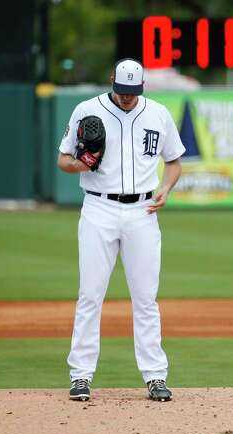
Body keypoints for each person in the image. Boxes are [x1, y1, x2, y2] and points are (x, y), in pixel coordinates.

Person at [57, 58, 185, 402]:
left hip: (143, 210)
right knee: (90, 295)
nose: (127, 97)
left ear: (141, 87)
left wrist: (166, 189)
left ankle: (155, 376)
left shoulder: (157, 113)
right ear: (112, 81)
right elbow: (64, 160)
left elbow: (174, 161)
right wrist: (83, 162)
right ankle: (81, 375)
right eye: (122, 90)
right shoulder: (87, 110)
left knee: (146, 298)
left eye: (133, 92)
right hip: (99, 207)